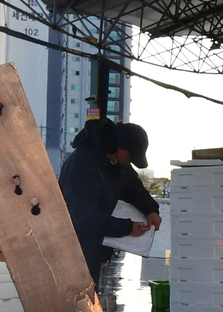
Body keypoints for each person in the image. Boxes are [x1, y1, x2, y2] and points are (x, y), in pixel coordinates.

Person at [58, 119, 161, 280]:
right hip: (73, 252)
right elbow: (85, 218)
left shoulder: (114, 163)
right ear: (116, 145)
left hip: (94, 250)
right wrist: (127, 228)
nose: (130, 162)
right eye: (130, 156)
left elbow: (132, 187)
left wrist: (151, 209)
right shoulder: (82, 167)